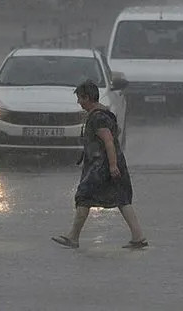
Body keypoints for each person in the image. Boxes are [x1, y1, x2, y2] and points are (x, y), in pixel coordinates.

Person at [51, 80, 147, 249]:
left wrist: (111, 166)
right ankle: (138, 237)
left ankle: (73, 237)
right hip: (111, 163)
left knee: (84, 196)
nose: (79, 102)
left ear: (87, 98)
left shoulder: (98, 117)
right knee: (122, 198)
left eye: (80, 98)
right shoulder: (105, 113)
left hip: (101, 166)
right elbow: (114, 134)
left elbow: (109, 141)